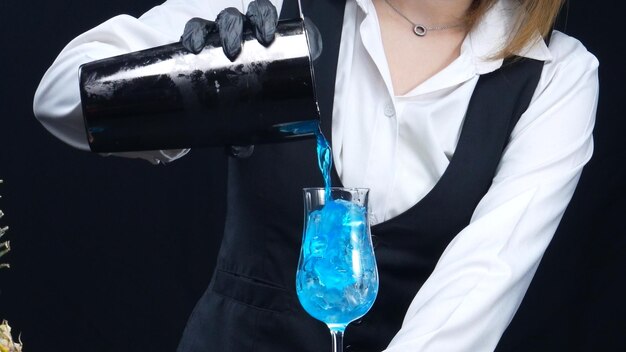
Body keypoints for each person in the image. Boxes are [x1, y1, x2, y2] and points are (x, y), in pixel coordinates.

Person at [33, 0, 599, 351]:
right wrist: (189, 84)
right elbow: (59, 96)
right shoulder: (275, 7)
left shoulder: (557, 76)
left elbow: (478, 288)